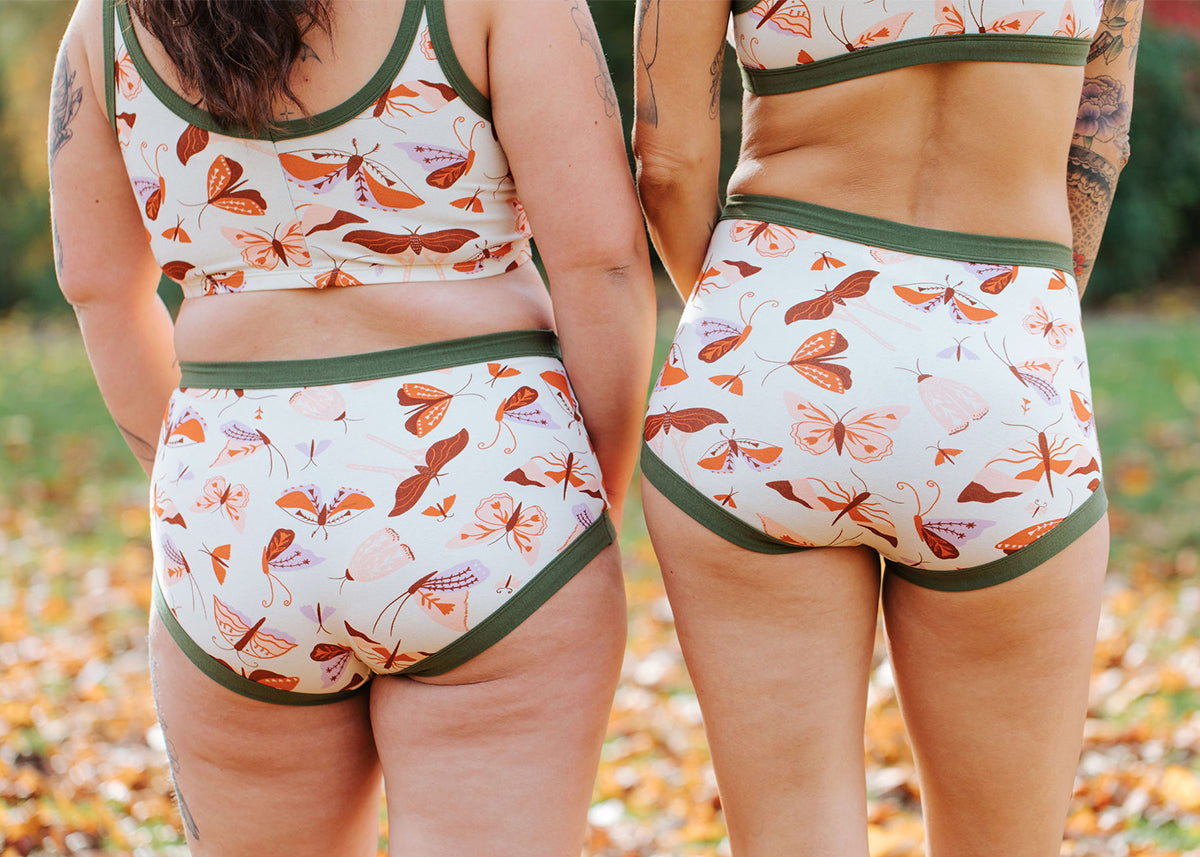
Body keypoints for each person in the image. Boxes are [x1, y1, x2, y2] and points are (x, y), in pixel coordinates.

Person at [48, 0, 654, 853]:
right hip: (486, 477)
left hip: (237, 504)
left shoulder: (106, 21)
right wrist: (594, 494)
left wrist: (209, 488)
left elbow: (100, 288)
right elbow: (605, 260)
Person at [634, 0, 1138, 854]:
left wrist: (747, 337)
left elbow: (668, 161)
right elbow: (1099, 137)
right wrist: (1011, 343)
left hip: (775, 351)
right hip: (1003, 356)